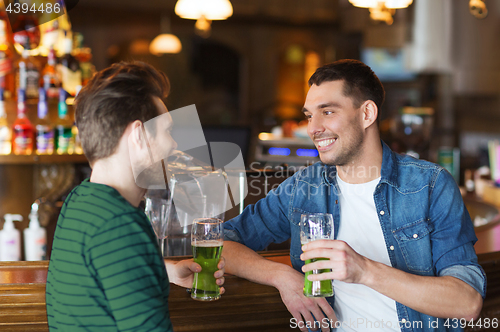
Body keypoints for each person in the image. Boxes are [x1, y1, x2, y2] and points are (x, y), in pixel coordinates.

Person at [223, 59, 485, 332]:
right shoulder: (304, 187)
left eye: (327, 112)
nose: (313, 128)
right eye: (310, 115)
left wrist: (363, 271)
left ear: (367, 114)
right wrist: (282, 276)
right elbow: (220, 243)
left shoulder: (430, 185)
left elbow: (466, 302)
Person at [46, 62, 225, 331]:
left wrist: (166, 271)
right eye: (167, 131)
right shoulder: (120, 224)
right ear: (139, 135)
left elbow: (105, 268)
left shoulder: (80, 199)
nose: (174, 145)